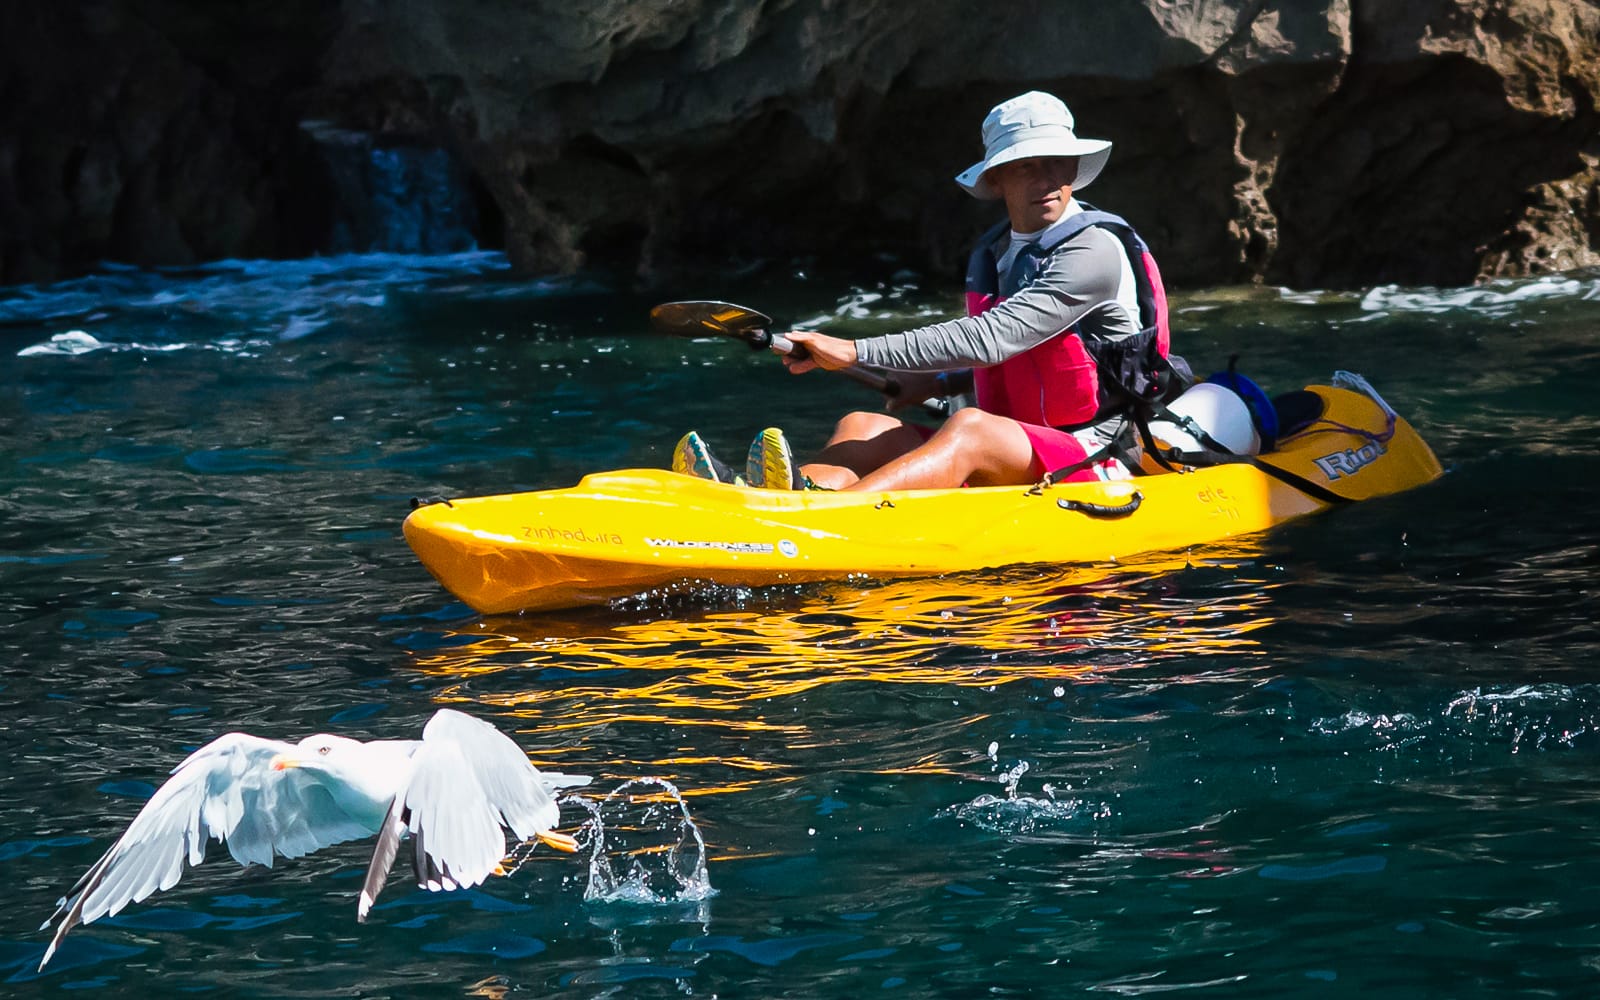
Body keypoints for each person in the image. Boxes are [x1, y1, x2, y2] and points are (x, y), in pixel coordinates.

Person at [673, 90, 1184, 492]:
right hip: (1018, 442)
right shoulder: (1000, 251)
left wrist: (852, 349)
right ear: (999, 176)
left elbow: (996, 338)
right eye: (1028, 164)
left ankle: (830, 519)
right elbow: (1035, 355)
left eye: (1056, 161)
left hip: (1097, 453)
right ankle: (784, 495)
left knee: (969, 428)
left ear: (1074, 167)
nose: (1047, 177)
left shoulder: (1090, 251)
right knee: (861, 426)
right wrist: (936, 383)